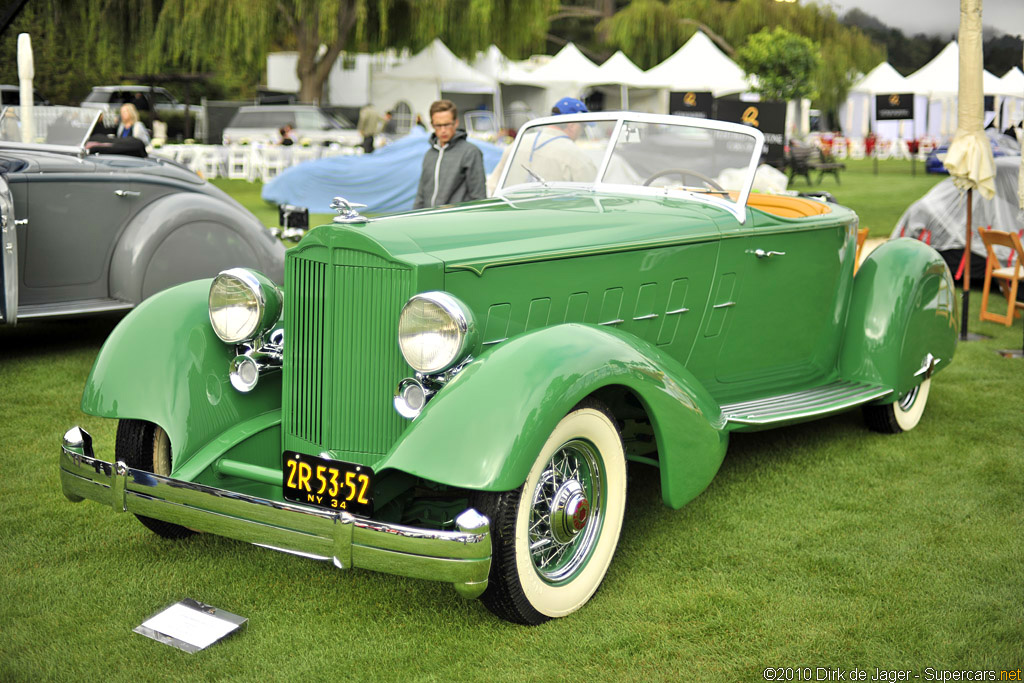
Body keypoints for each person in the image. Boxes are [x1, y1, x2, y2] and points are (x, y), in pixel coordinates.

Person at [487, 96, 596, 193]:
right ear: (573, 125)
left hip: (510, 212)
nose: (582, 131)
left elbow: (493, 185)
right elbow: (591, 195)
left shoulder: (517, 143)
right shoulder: (577, 156)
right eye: (583, 126)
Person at [413, 99, 486, 210]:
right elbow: (421, 195)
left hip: (457, 222)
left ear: (456, 123)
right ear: (432, 125)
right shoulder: (429, 155)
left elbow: (478, 197)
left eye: (447, 125)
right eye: (438, 125)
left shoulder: (470, 152)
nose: (443, 130)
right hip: (429, 221)